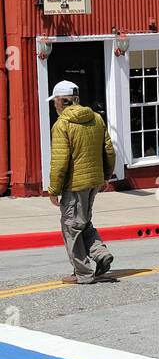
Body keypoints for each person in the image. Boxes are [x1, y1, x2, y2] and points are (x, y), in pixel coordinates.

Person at [47, 79, 116, 285]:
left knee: (71, 227)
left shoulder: (62, 125)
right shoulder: (96, 118)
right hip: (94, 181)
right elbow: (109, 151)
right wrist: (106, 176)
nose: (54, 105)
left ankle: (82, 273)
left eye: (55, 101)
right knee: (83, 222)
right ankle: (100, 254)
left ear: (63, 101)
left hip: (75, 185)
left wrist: (53, 189)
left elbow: (60, 162)